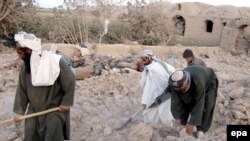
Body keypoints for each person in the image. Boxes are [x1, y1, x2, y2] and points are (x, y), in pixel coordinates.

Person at [13, 32, 75, 141]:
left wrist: (66, 102)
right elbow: (21, 90)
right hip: (34, 110)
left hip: (54, 109)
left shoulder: (55, 61)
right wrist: (19, 111)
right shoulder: (24, 67)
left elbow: (70, 79)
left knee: (53, 128)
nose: (19, 56)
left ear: (29, 50)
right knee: (30, 129)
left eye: (20, 52)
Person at [169, 65, 218, 137]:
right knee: (186, 100)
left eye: (182, 88)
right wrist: (178, 117)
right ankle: (184, 122)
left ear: (186, 82)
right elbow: (175, 102)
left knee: (208, 104)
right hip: (194, 80)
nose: (180, 90)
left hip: (209, 80)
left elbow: (199, 103)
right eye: (178, 89)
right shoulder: (174, 84)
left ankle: (201, 129)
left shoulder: (197, 81)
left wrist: (192, 123)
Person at [139, 50, 175, 127]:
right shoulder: (156, 65)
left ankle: (167, 129)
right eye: (142, 59)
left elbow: (147, 88)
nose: (143, 61)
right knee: (153, 113)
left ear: (150, 58)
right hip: (162, 94)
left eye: (144, 59)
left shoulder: (151, 69)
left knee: (163, 112)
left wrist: (145, 101)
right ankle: (151, 128)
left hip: (164, 94)